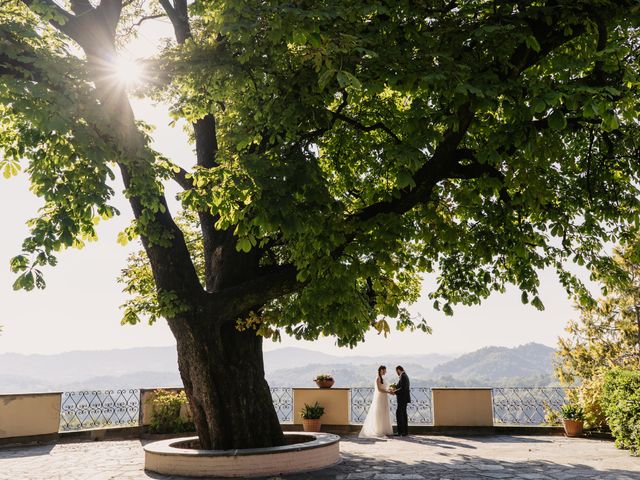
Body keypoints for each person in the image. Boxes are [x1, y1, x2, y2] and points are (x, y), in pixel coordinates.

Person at [358, 365, 393, 438]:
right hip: (380, 398)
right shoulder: (378, 379)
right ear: (381, 370)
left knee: (384, 412)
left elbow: (384, 387)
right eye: (384, 370)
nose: (385, 372)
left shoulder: (382, 378)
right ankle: (379, 430)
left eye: (385, 370)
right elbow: (379, 389)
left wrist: (389, 390)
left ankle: (384, 429)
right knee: (379, 413)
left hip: (384, 397)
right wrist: (388, 391)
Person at [393, 365, 411, 436]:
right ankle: (404, 432)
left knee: (399, 414)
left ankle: (400, 432)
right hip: (404, 399)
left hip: (402, 399)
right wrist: (394, 387)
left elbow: (403, 388)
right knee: (403, 415)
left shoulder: (403, 376)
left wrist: (394, 392)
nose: (396, 373)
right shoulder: (404, 375)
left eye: (396, 371)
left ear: (398, 370)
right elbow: (399, 386)